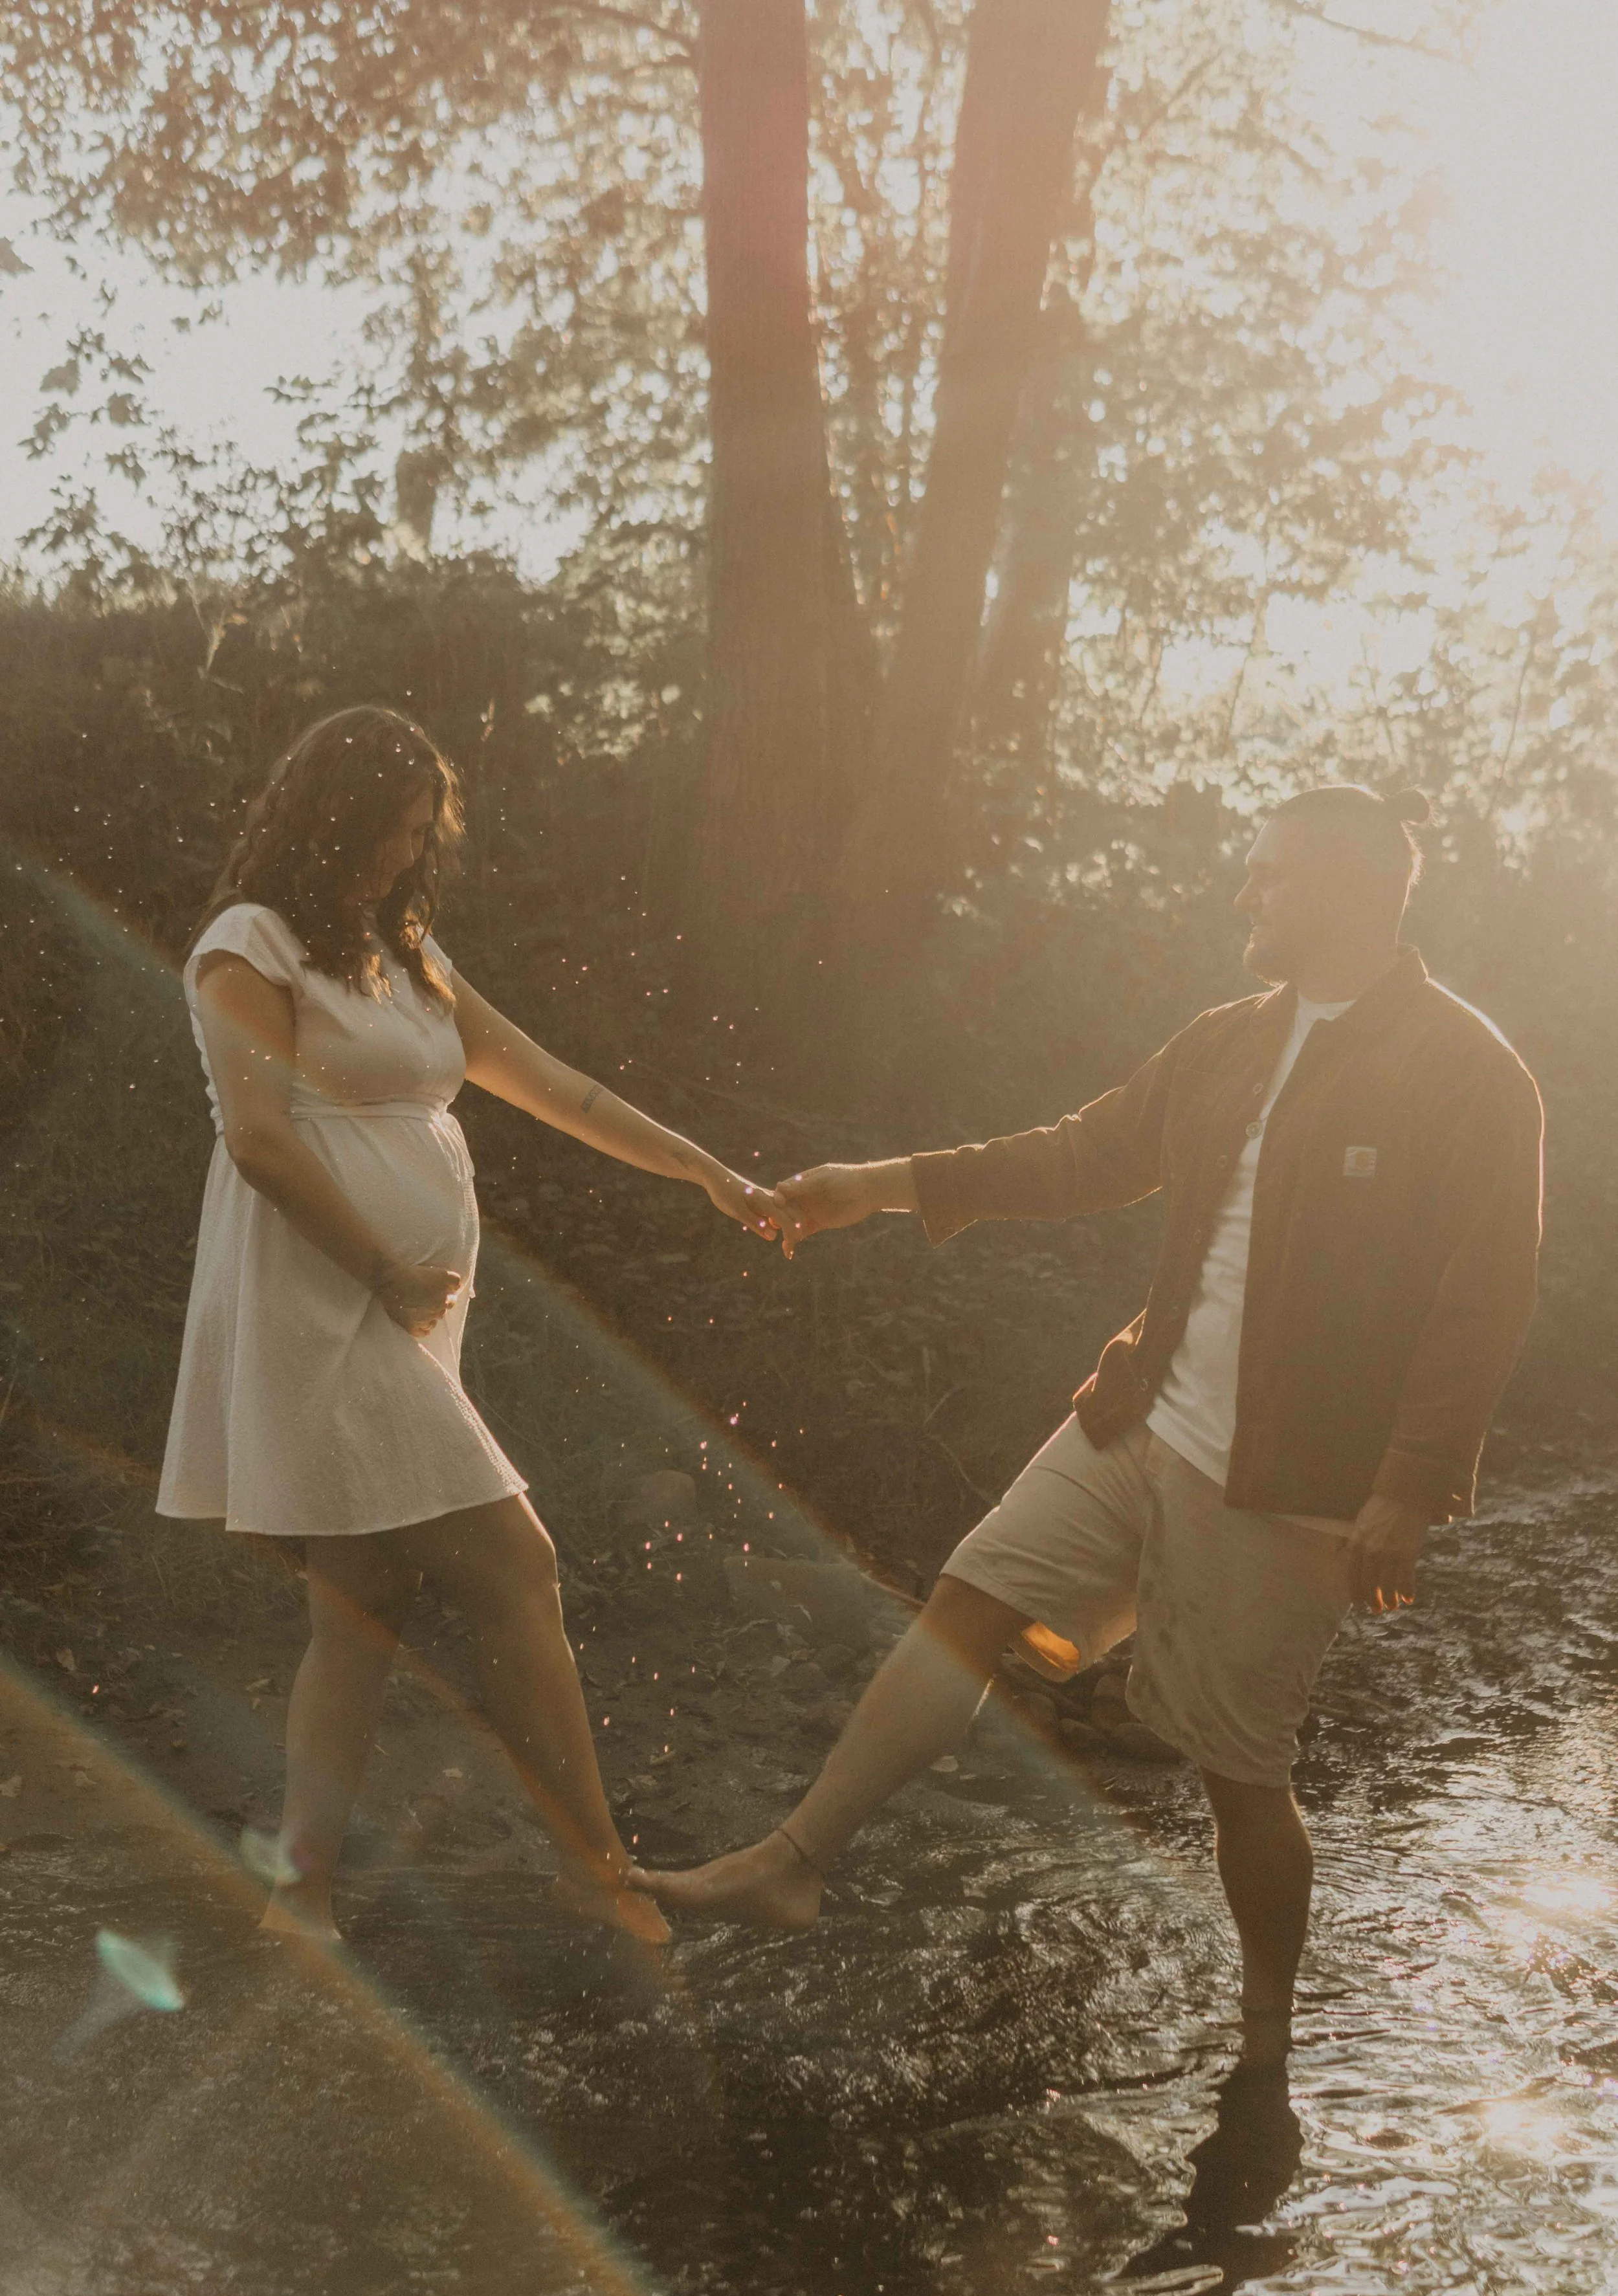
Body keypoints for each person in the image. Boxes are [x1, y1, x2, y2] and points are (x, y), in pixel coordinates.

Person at [635, 786, 1544, 2064]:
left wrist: (1409, 1483)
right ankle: (792, 1861)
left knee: (1241, 1775)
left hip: (1292, 1483)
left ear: (1351, 889)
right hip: (1138, 1414)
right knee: (969, 1597)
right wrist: (878, 1189)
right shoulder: (1226, 1039)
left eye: (1268, 876)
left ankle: (1268, 2040)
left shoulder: (1467, 1072)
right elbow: (1078, 1154)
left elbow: (1483, 1292)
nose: (1243, 895)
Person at [158, 703, 780, 1945]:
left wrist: (710, 1172)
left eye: (418, 836)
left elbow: (556, 1085)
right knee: (518, 1562)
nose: (405, 855)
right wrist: (383, 1266)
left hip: (396, 1312)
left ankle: (301, 1891)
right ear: (332, 817)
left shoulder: (406, 950)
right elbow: (260, 1137)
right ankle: (598, 1876)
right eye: (392, 832)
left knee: (361, 1605)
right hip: (322, 1301)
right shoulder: (250, 945)